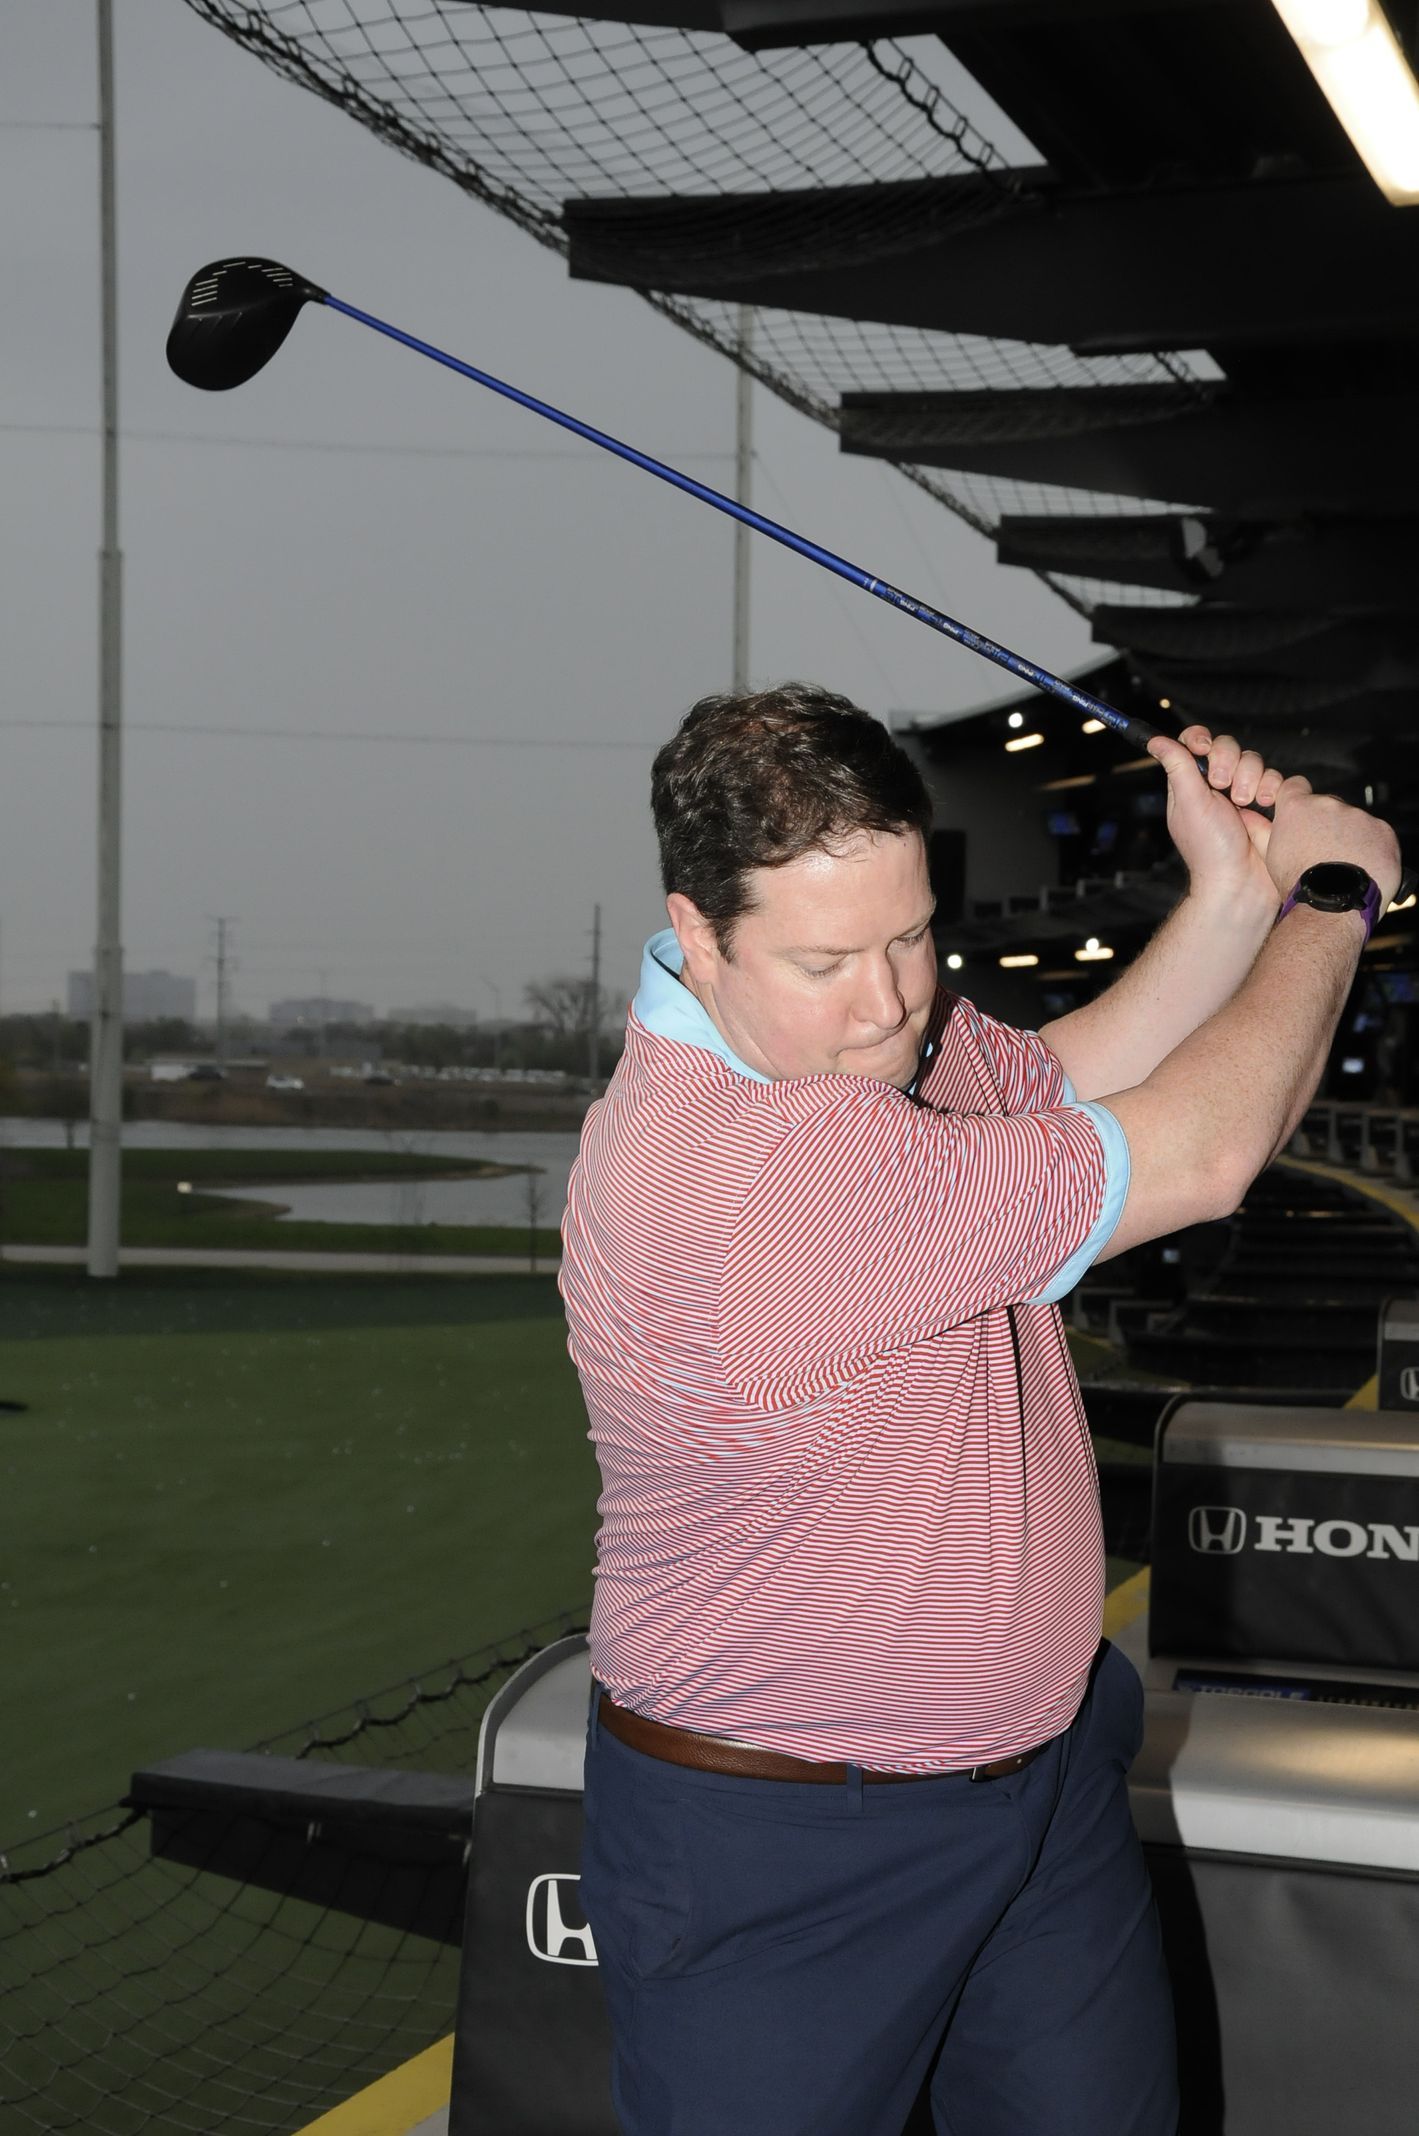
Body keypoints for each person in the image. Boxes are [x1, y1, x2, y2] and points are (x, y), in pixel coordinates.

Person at [558, 683, 1399, 2136]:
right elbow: (1196, 1154)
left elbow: (1073, 1081)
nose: (888, 1001)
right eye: (828, 959)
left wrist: (1228, 896)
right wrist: (1334, 893)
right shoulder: (751, 1170)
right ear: (696, 932)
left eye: (908, 934)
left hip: (1038, 1783)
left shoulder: (855, 1044)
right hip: (784, 1848)